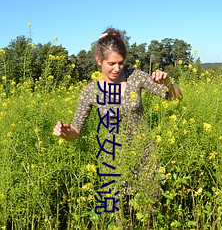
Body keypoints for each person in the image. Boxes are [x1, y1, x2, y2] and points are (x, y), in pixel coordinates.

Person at [53, 27, 182, 224]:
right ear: (99, 61)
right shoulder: (91, 91)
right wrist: (65, 132)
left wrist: (169, 82)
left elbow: (175, 98)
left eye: (121, 63)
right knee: (121, 218)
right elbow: (76, 130)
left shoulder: (135, 77)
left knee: (151, 214)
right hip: (113, 160)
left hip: (145, 155)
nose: (117, 68)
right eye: (111, 63)